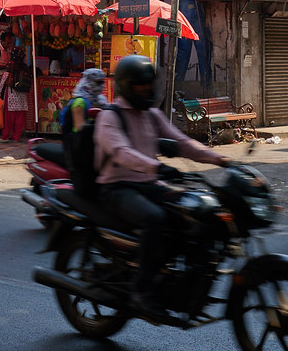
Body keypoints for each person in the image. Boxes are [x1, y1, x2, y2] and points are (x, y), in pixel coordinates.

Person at [93, 54, 228, 319]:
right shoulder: (110, 117)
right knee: (154, 219)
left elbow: (182, 143)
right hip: (117, 187)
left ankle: (179, 282)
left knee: (195, 212)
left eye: (149, 83)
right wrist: (156, 167)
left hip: (148, 184)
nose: (147, 88)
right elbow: (121, 152)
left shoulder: (151, 114)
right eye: (140, 84)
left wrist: (220, 159)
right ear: (127, 85)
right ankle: (142, 293)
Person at [0, 46, 30, 142]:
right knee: (20, 116)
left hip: (12, 93)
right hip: (22, 95)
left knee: (9, 116)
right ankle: (16, 137)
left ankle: (5, 136)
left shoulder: (11, 64)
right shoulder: (24, 66)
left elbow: (4, 77)